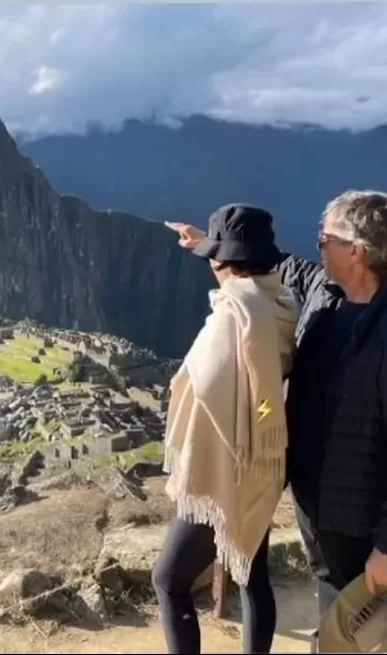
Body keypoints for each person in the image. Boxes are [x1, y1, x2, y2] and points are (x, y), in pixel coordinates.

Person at [168, 190, 387, 651]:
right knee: (335, 624)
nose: (318, 244)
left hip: (363, 513)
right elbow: (270, 262)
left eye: (325, 237)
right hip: (316, 501)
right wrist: (214, 242)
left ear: (357, 251)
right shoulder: (325, 294)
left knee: (363, 629)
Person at [153, 203, 298, 654]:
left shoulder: (231, 318)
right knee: (251, 572)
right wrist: (206, 242)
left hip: (222, 466)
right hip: (266, 460)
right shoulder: (281, 305)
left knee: (169, 579)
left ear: (223, 262)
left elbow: (206, 388)